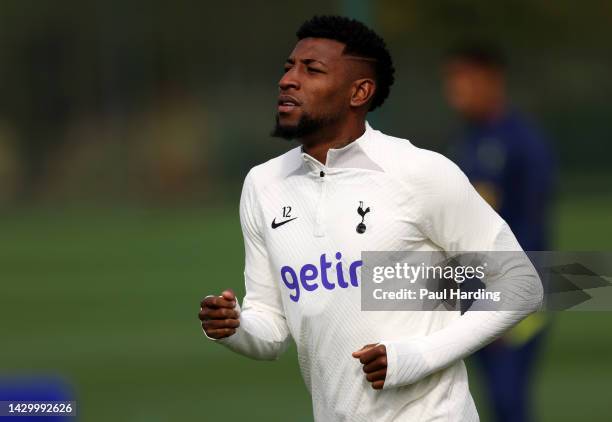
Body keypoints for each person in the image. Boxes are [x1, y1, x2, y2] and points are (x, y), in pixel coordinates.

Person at [199, 16, 543, 422]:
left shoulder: (420, 171)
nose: (289, 80)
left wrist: (416, 357)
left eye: (312, 70)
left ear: (359, 91)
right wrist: (235, 326)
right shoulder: (262, 185)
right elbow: (271, 328)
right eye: (288, 67)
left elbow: (522, 285)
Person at [443, 43, 555, 422]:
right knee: (484, 400)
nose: (455, 91)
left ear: (492, 80)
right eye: (452, 81)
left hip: (515, 292)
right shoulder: (466, 143)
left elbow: (532, 227)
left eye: (464, 80)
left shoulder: (524, 142)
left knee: (509, 401)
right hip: (472, 291)